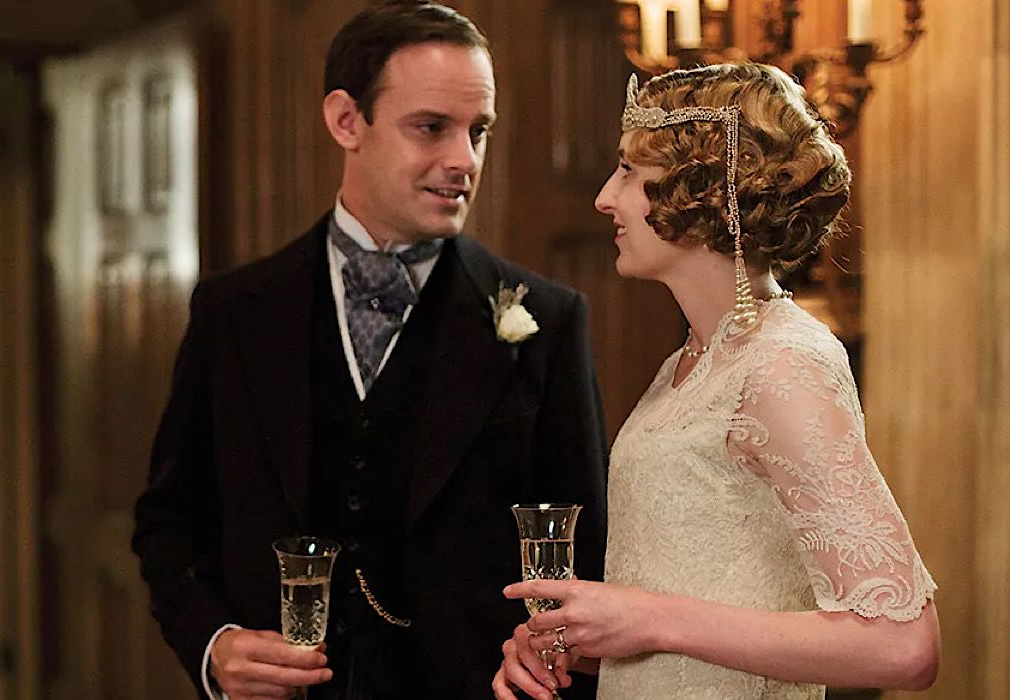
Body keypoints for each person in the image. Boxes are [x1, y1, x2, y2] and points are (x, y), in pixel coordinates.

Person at [131, 2, 609, 698]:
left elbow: (583, 558)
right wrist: (216, 645)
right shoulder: (234, 312)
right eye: (431, 128)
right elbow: (169, 523)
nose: (463, 160)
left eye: (479, 131)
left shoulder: (549, 321)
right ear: (346, 120)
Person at [493, 63, 940, 700]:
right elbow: (705, 616)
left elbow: (902, 643)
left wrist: (645, 618)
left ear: (697, 194)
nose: (603, 197)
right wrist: (581, 641)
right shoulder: (691, 364)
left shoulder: (783, 365)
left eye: (628, 172)